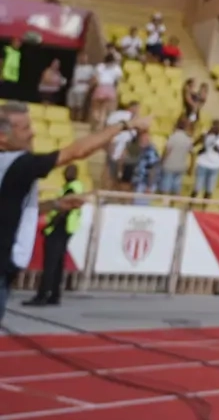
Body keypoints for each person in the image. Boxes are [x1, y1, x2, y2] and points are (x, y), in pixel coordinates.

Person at [0, 101, 150, 323]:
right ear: (3, 137)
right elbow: (77, 151)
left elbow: (11, 208)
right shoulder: (18, 164)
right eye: (25, 128)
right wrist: (126, 125)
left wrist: (55, 204)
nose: (32, 133)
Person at [23, 164, 85, 307]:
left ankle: (42, 295)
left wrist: (50, 226)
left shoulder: (71, 188)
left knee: (50, 264)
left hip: (59, 228)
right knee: (58, 264)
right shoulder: (76, 187)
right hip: (67, 229)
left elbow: (64, 210)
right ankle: (55, 295)